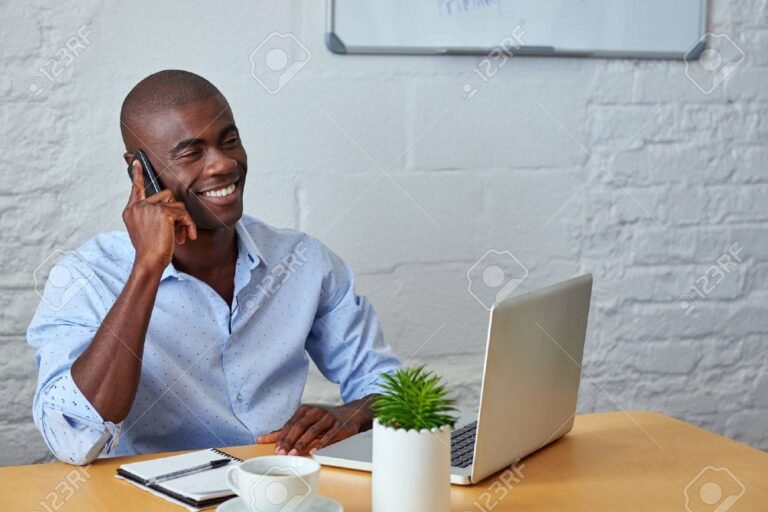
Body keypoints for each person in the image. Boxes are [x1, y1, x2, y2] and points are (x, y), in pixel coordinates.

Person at [27, 70, 401, 465]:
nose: (223, 164)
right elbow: (72, 441)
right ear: (139, 169)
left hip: (273, 490)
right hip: (148, 499)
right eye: (191, 152)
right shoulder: (85, 278)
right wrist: (147, 269)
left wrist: (355, 415)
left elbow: (398, 392)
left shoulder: (303, 262)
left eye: (230, 141)